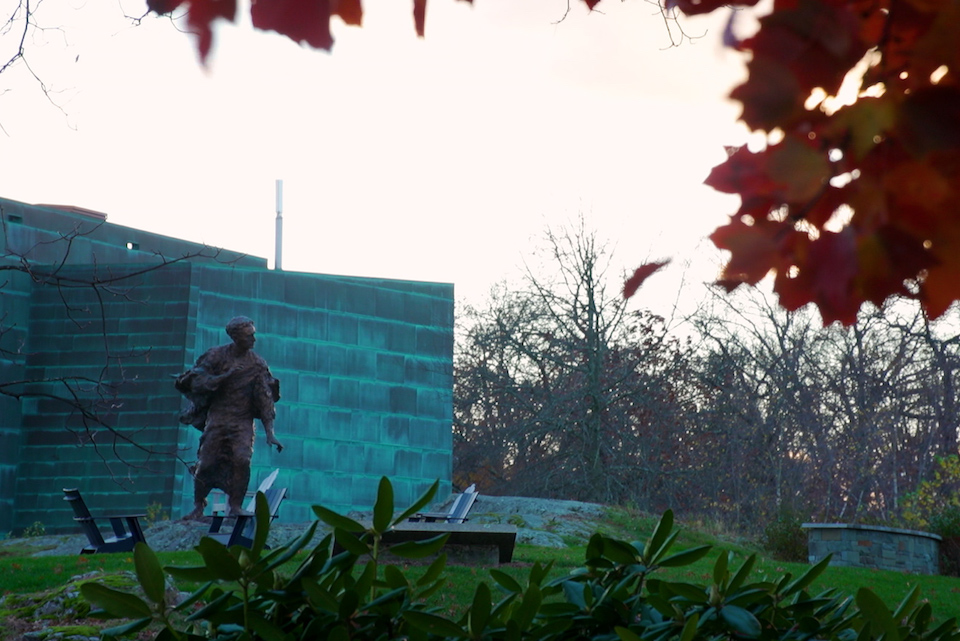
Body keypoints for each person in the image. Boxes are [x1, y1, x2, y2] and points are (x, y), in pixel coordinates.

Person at [176, 316, 283, 520]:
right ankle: (198, 505)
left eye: (253, 334)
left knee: (242, 460)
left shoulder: (257, 364)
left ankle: (235, 505)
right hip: (218, 418)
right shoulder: (216, 356)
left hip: (242, 422)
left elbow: (265, 399)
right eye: (248, 335)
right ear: (235, 337)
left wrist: (270, 433)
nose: (254, 339)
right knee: (206, 462)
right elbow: (197, 381)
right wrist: (225, 377)